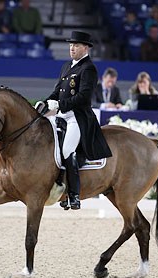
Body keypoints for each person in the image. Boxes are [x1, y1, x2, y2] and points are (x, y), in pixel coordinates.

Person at [41, 31, 112, 210]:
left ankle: (73, 195)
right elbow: (57, 91)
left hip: (77, 117)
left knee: (67, 150)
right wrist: (45, 102)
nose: (72, 48)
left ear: (86, 48)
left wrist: (59, 104)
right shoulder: (67, 66)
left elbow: (83, 97)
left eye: (77, 45)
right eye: (71, 45)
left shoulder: (88, 68)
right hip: (61, 114)